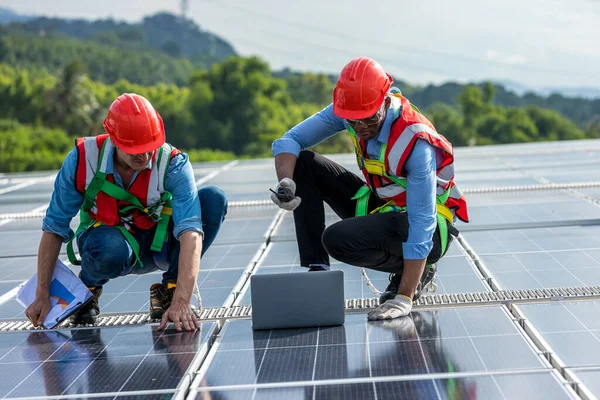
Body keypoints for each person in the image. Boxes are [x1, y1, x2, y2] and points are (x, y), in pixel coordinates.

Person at [270, 57, 468, 321]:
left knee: (336, 239)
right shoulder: (351, 112)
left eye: (368, 120)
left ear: (385, 102)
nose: (360, 128)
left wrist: (404, 297)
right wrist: (286, 182)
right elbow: (291, 140)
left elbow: (422, 220)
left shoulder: (416, 142)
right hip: (385, 209)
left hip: (426, 230)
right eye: (352, 122)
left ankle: (418, 272)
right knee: (304, 164)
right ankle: (317, 272)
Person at [25, 93, 228, 331]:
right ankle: (88, 290)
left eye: (149, 148)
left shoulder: (172, 163)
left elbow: (191, 231)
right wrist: (42, 295)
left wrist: (182, 301)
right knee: (110, 248)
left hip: (158, 243)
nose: (143, 156)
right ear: (113, 139)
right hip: (108, 245)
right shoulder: (82, 160)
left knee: (214, 199)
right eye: (134, 150)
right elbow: (54, 228)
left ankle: (169, 292)